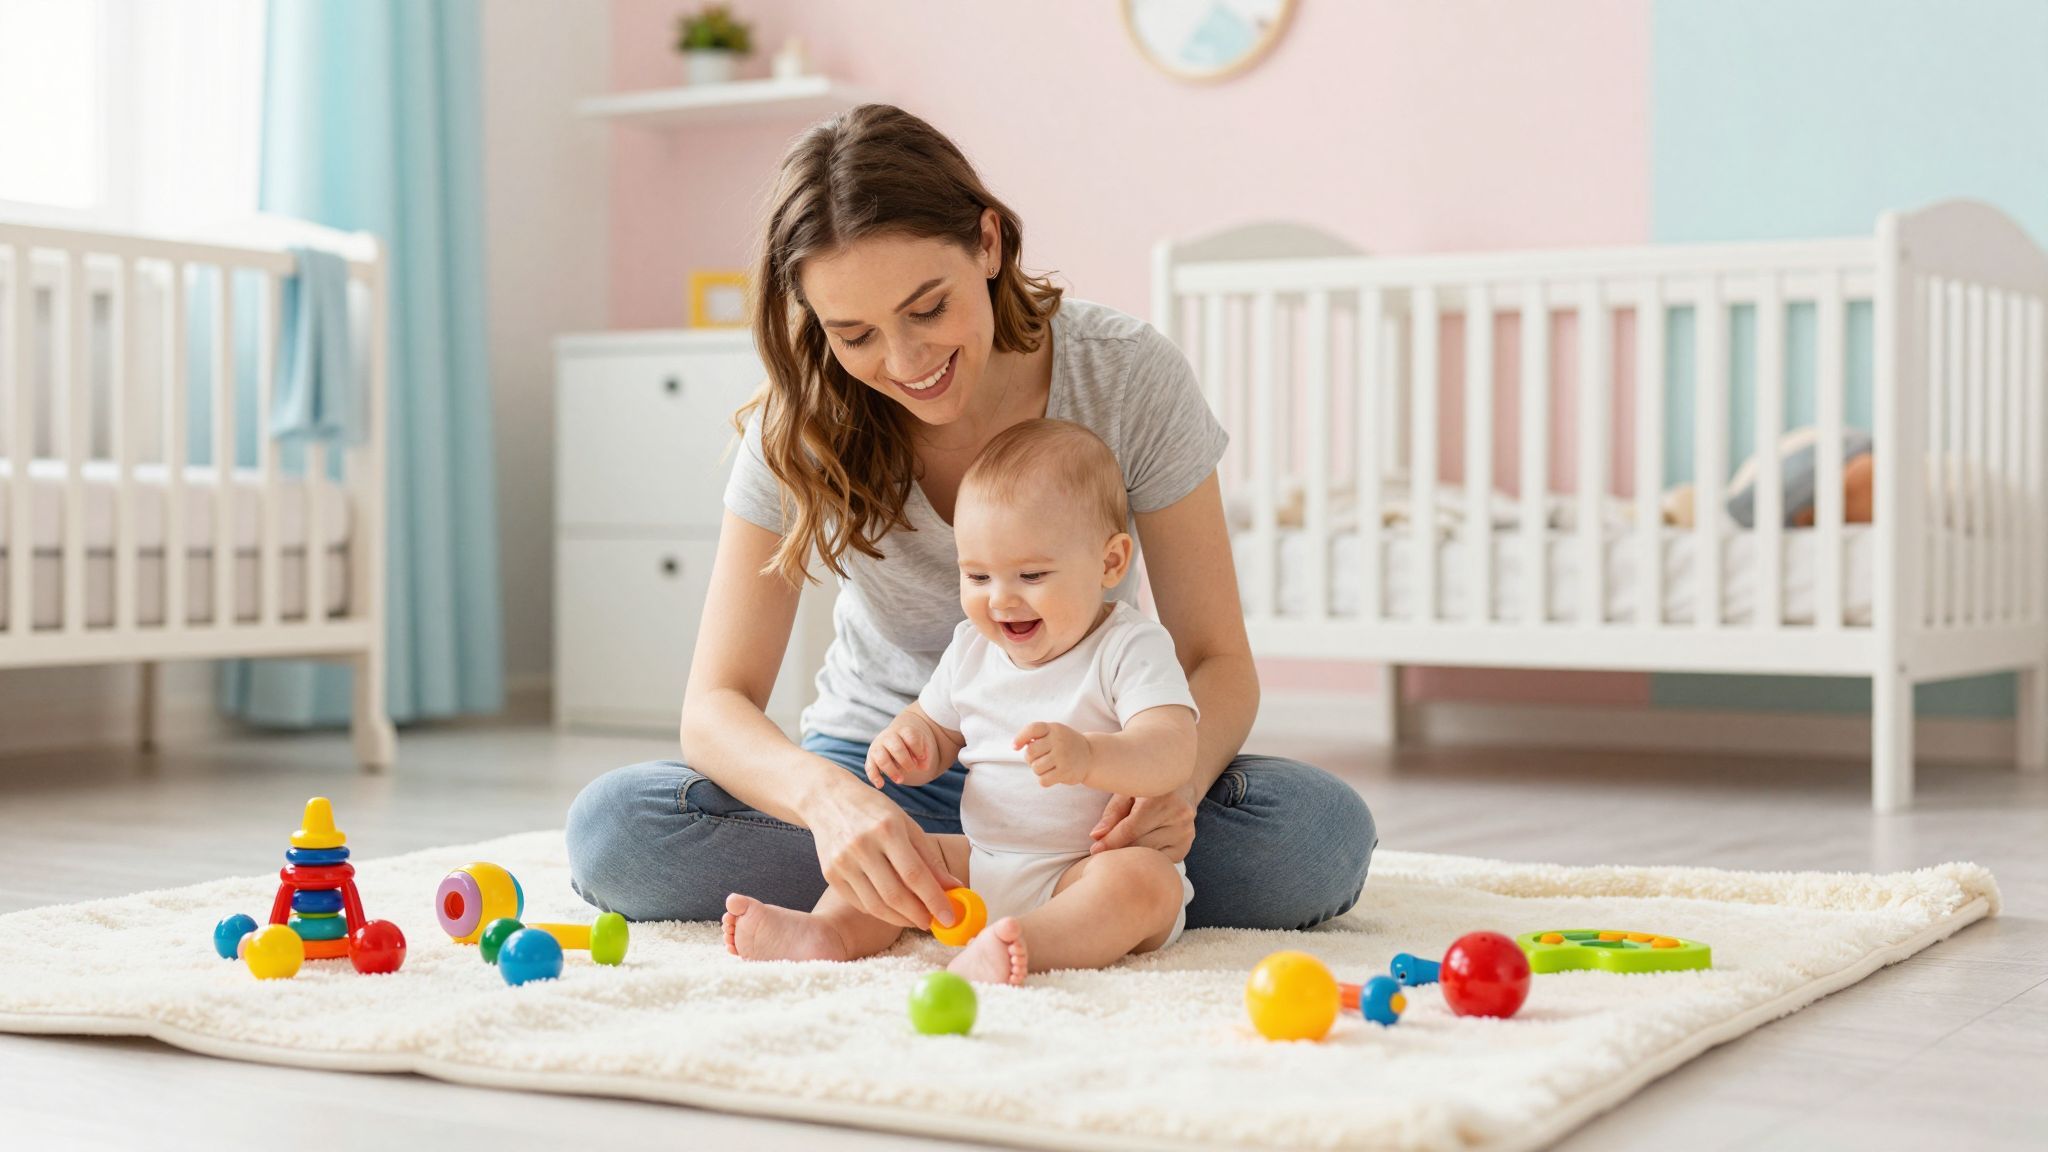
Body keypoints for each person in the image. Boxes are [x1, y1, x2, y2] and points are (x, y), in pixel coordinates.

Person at [565, 103, 1375, 938]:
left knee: (1316, 836)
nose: (906, 363)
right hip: (884, 768)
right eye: (856, 334)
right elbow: (715, 705)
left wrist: (1170, 787)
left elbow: (1217, 660)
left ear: (987, 243)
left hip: (1082, 780)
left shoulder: (1128, 376)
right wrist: (831, 805)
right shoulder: (801, 419)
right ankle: (990, 885)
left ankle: (940, 889)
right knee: (616, 832)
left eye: (927, 309)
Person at [724, 420, 1200, 984]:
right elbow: (937, 726)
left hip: (1085, 868)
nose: (1001, 599)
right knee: (906, 858)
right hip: (979, 861)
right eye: (977, 575)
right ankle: (827, 932)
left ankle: (1031, 944)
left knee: (1144, 884)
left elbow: (1172, 748)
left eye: (1031, 574)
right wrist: (911, 740)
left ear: (1110, 563)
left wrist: (1092, 757)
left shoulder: (1128, 644)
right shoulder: (972, 647)